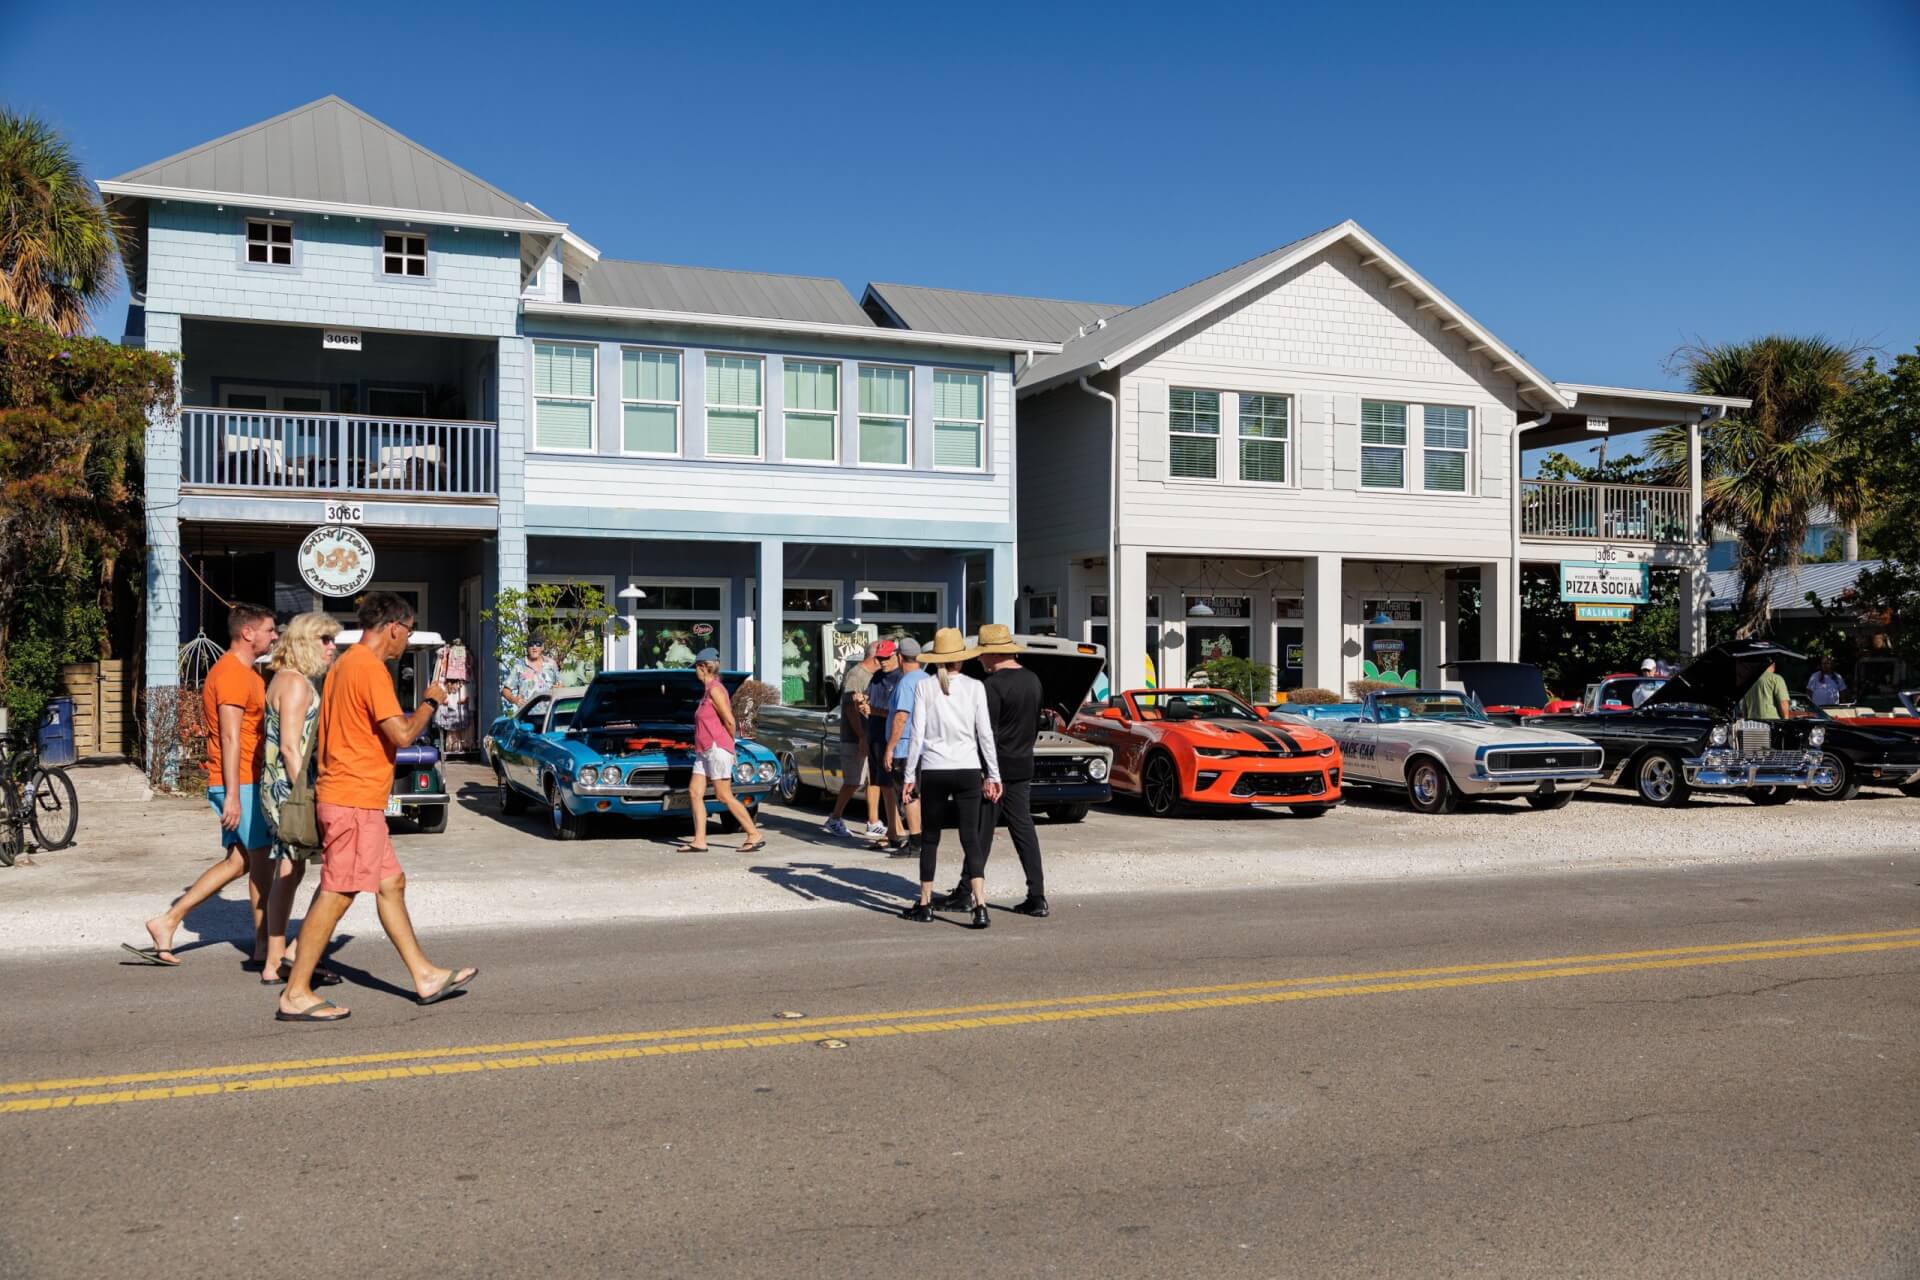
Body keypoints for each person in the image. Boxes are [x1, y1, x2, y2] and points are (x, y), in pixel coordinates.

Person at [276, 592, 472, 1022]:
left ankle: (425, 975)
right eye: (409, 628)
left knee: (391, 883)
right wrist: (432, 699)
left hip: (353, 796)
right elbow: (402, 734)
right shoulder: (368, 668)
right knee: (338, 892)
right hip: (352, 799)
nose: (407, 638)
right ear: (395, 627)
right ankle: (295, 991)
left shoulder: (346, 664)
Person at [123, 603, 280, 968]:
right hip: (240, 782)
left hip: (245, 780)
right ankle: (264, 947)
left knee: (240, 862)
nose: (275, 636)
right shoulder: (231, 675)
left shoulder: (250, 674)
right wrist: (233, 798)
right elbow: (228, 736)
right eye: (270, 630)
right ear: (248, 633)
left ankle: (167, 922)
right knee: (261, 864)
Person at [257, 612, 345, 986]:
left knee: (290, 871)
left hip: (280, 786)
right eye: (324, 639)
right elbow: (291, 749)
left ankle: (277, 958)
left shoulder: (287, 679)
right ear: (304, 642)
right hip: (289, 789)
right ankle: (289, 954)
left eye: (332, 640)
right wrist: (307, 797)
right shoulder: (294, 684)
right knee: (329, 870)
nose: (331, 647)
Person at [941, 624, 1050, 918]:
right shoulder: (1033, 680)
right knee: (1024, 829)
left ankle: (966, 893)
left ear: (992, 654)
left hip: (996, 767)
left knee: (980, 832)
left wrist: (987, 772)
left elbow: (986, 731)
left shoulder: (993, 686)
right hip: (1023, 763)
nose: (978, 660)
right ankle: (1037, 895)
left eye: (982, 655)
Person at [899, 628, 1001, 929]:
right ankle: (980, 905)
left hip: (934, 769)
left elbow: (916, 734)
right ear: (962, 659)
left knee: (930, 838)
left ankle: (926, 902)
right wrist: (993, 774)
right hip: (968, 768)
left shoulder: (925, 687)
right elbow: (985, 735)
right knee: (970, 837)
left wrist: (909, 776)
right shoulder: (975, 687)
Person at [676, 650, 766, 854]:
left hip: (717, 748)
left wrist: (730, 746)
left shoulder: (716, 689)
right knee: (694, 792)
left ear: (702, 667)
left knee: (723, 795)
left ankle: (753, 834)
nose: (695, 673)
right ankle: (699, 840)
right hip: (704, 750)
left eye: (696, 669)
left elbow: (729, 720)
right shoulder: (707, 691)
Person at [824, 643, 882, 839]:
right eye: (883, 658)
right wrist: (861, 737)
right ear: (875, 657)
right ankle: (834, 818)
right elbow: (850, 709)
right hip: (854, 738)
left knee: (874, 780)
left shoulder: (874, 676)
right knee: (853, 781)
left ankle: (873, 822)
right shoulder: (856, 675)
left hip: (871, 736)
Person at [881, 637, 928, 857]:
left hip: (906, 748)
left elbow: (901, 717)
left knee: (909, 795)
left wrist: (890, 747)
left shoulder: (907, 682)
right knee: (919, 794)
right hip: (926, 748)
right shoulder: (928, 679)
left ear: (900, 657)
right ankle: (922, 839)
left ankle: (916, 841)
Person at [864, 640, 902, 846]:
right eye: (879, 658)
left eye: (886, 657)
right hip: (875, 736)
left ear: (897, 655)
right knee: (884, 786)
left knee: (896, 786)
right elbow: (870, 701)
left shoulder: (901, 678)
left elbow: (900, 715)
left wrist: (874, 711)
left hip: (892, 740)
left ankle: (902, 831)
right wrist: (862, 702)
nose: (883, 662)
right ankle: (893, 831)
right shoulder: (877, 676)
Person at [500, 639, 557, 711]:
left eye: (538, 644)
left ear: (542, 647)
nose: (534, 647)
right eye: (531, 644)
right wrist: (514, 700)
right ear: (527, 647)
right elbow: (505, 691)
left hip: (549, 714)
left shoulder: (551, 664)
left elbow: (560, 686)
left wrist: (559, 688)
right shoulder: (519, 665)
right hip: (527, 715)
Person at [1739, 656, 1792, 722]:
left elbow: (1744, 706)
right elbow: (1783, 702)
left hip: (1753, 722)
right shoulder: (1776, 679)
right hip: (1771, 721)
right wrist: (1786, 720)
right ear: (1773, 665)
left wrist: (1746, 721)